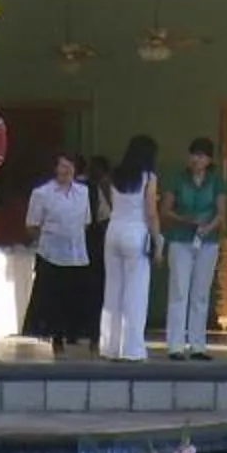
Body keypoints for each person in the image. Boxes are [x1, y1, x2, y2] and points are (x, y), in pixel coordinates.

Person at [21, 152, 99, 356]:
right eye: (62, 166)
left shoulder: (83, 192)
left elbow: (86, 221)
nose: (65, 171)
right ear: (55, 169)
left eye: (69, 167)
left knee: (79, 298)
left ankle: (85, 337)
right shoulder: (42, 193)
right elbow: (32, 224)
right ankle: (56, 340)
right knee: (53, 300)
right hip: (51, 255)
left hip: (77, 254)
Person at [99, 136, 160, 363]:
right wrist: (157, 242)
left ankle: (110, 346)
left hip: (114, 231)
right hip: (136, 232)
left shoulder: (115, 175)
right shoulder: (148, 178)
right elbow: (151, 212)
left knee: (113, 290)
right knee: (135, 292)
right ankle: (132, 349)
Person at [162, 138, 224, 360]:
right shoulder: (178, 179)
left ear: (209, 159)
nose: (196, 159)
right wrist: (185, 219)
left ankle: (198, 345)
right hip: (180, 238)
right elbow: (166, 210)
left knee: (201, 293)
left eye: (201, 155)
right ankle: (175, 345)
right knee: (179, 291)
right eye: (193, 155)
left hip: (207, 241)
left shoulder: (216, 181)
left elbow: (221, 212)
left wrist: (208, 227)